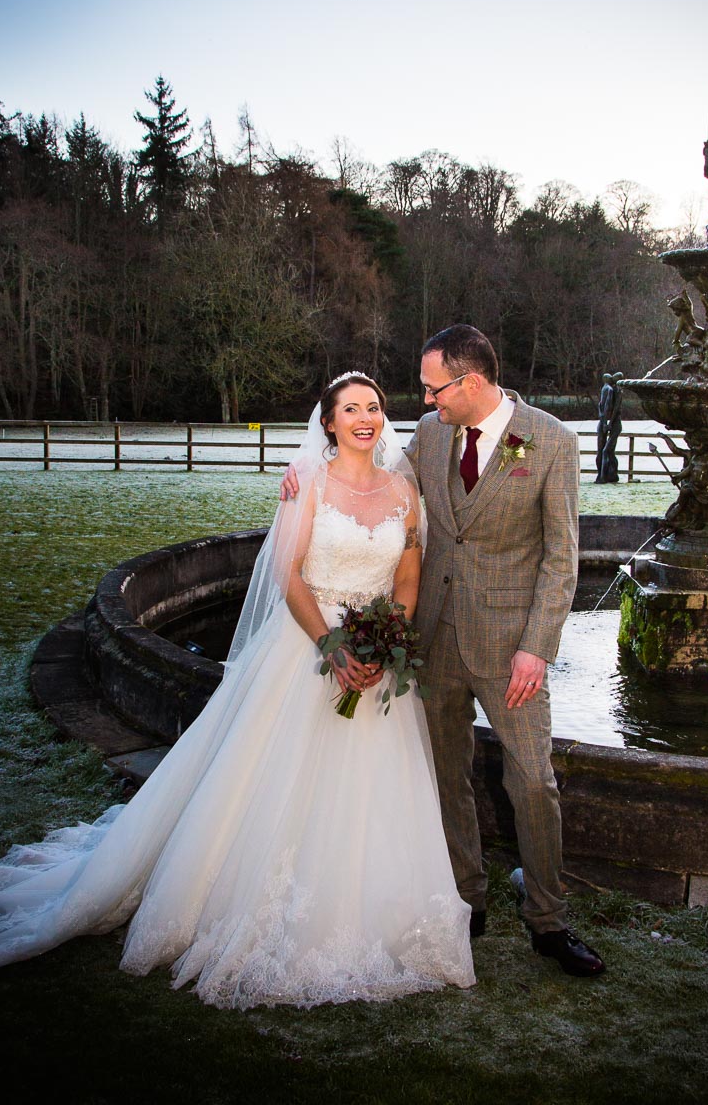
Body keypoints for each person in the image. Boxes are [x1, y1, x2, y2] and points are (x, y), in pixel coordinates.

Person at [0, 373, 475, 1009]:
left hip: (377, 657)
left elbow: (409, 578)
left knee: (376, 789)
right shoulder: (307, 484)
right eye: (351, 409)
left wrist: (385, 640)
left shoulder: (404, 493)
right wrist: (332, 648)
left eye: (374, 407)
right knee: (270, 782)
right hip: (307, 649)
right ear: (329, 422)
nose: (365, 418)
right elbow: (288, 575)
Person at [282, 327, 605, 978]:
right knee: (444, 773)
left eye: (435, 388)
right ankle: (466, 897)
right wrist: (307, 470)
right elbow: (377, 485)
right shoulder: (432, 435)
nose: (426, 401)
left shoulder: (550, 441)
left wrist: (537, 648)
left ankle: (547, 920)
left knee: (532, 781)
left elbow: (561, 558)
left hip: (511, 650)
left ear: (471, 381)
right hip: (431, 639)